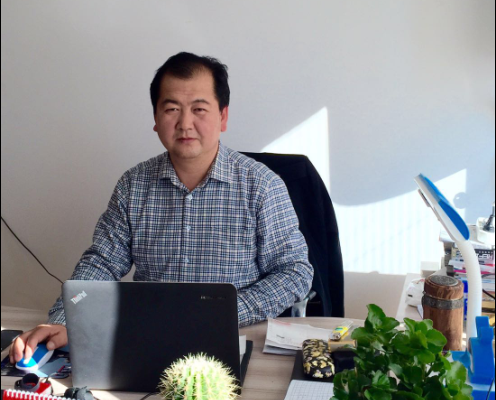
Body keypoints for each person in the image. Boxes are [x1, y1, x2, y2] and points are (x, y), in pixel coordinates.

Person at [10, 52, 313, 364]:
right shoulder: (134, 185)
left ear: (223, 117)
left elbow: (295, 271)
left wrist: (224, 313)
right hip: (149, 339)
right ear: (156, 119)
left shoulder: (262, 186)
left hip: (234, 338)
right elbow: (101, 264)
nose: (185, 123)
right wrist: (65, 319)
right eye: (172, 109)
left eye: (199, 109)